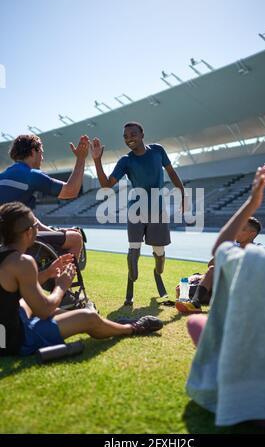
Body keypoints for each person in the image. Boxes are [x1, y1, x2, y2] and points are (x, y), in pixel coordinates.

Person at [186, 166, 265, 432]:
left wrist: (253, 202)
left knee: (196, 323)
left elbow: (220, 249)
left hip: (253, 401)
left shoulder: (255, 259)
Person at [0, 202, 162, 357]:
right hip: (16, 341)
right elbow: (44, 310)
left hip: (2, 336)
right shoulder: (22, 262)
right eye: (36, 226)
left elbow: (11, 287)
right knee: (88, 318)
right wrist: (61, 286)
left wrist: (48, 273)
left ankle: (99, 321)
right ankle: (131, 328)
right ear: (29, 232)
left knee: (28, 303)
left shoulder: (7, 257)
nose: (37, 230)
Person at [90, 121, 186, 305]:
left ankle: (157, 274)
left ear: (142, 134)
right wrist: (96, 160)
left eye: (133, 134)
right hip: (136, 209)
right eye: (126, 136)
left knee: (159, 252)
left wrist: (182, 193)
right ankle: (130, 289)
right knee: (134, 252)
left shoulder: (158, 151)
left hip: (158, 210)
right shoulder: (125, 161)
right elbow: (106, 185)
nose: (129, 139)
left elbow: (172, 173)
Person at [0, 134, 89, 258]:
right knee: (76, 239)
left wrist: (54, 232)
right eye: (41, 152)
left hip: (4, 238)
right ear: (33, 151)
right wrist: (81, 158)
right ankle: (63, 277)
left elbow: (31, 220)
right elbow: (71, 191)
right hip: (15, 239)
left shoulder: (3, 175)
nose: (42, 158)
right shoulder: (31, 175)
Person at [176, 216, 263, 314]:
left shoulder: (259, 249)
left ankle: (196, 301)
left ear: (252, 234)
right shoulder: (231, 247)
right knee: (182, 288)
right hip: (224, 287)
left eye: (242, 229)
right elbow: (210, 265)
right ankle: (195, 302)